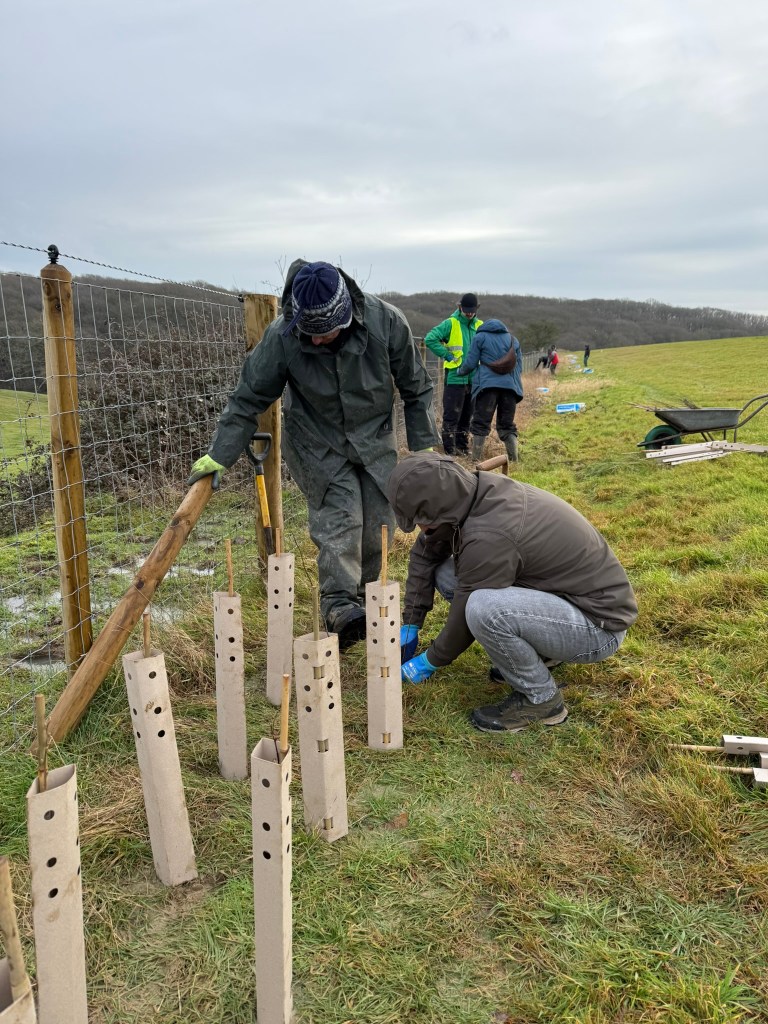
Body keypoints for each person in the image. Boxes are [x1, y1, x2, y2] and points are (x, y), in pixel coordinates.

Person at [188, 260, 439, 649]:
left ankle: (372, 605)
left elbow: (416, 387)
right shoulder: (283, 336)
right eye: (310, 333)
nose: (317, 341)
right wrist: (220, 453)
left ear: (346, 314)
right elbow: (248, 397)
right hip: (316, 442)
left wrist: (424, 450)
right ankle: (340, 608)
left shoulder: (385, 322)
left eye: (325, 333)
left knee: (378, 524)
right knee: (341, 520)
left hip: (374, 439)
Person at [390, 453, 637, 733]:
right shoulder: (473, 494)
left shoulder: (490, 533)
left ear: (437, 510)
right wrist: (411, 620)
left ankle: (541, 700)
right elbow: (426, 553)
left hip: (597, 628)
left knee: (484, 608)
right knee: (448, 574)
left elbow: (465, 614)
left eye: (422, 520)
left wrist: (430, 661)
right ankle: (542, 652)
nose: (421, 529)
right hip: (565, 600)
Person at [456, 318, 523, 463]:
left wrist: (459, 372)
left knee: (480, 423)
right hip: (510, 389)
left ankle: (476, 460)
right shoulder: (513, 339)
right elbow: (519, 367)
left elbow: (471, 363)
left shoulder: (480, 337)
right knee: (507, 425)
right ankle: (514, 460)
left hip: (487, 388)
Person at [423, 293, 482, 456]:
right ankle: (449, 451)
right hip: (455, 378)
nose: (469, 313)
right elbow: (430, 339)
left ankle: (463, 448)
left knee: (467, 417)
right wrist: (448, 355)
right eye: (466, 310)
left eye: (472, 310)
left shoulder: (480, 326)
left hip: (474, 379)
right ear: (459, 307)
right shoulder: (451, 323)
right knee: (451, 417)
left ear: (477, 309)